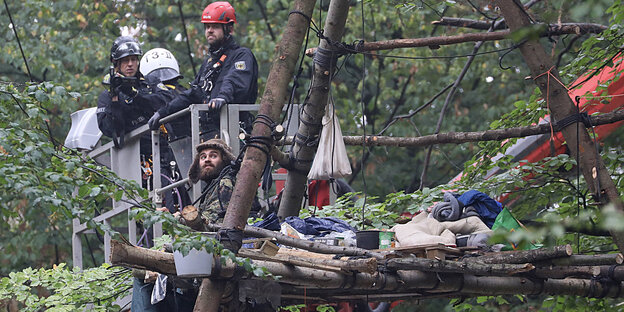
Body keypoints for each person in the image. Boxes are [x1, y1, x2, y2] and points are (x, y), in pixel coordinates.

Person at [148, 1, 258, 140]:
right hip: (210, 134)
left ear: (229, 28)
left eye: (215, 26)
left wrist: (223, 97)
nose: (209, 30)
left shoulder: (241, 55)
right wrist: (163, 112)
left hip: (235, 131)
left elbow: (235, 80)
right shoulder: (209, 63)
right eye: (207, 26)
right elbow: (194, 93)